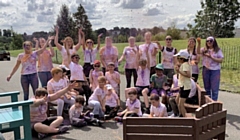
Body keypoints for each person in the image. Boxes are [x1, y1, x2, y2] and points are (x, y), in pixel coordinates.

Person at [197, 37, 224, 101]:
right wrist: (199, 43)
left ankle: (214, 103)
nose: (209, 42)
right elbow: (198, 52)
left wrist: (211, 57)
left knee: (214, 89)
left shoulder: (217, 50)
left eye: (211, 41)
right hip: (206, 69)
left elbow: (221, 60)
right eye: (207, 41)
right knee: (207, 88)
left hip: (215, 71)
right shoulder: (204, 49)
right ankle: (208, 102)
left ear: (214, 42)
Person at [125, 48, 150, 114]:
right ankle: (129, 105)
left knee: (144, 92)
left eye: (144, 65)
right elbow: (136, 61)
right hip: (138, 86)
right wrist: (137, 54)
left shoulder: (147, 69)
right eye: (141, 65)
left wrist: (147, 53)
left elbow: (149, 61)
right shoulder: (138, 69)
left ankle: (147, 108)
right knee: (127, 90)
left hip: (146, 86)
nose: (143, 66)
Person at [174, 50, 192, 117]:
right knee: (177, 100)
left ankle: (185, 118)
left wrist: (179, 71)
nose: (177, 59)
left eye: (178, 58)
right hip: (182, 86)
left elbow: (188, 75)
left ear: (182, 58)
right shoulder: (183, 65)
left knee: (181, 104)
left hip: (185, 87)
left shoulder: (185, 65)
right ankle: (181, 114)